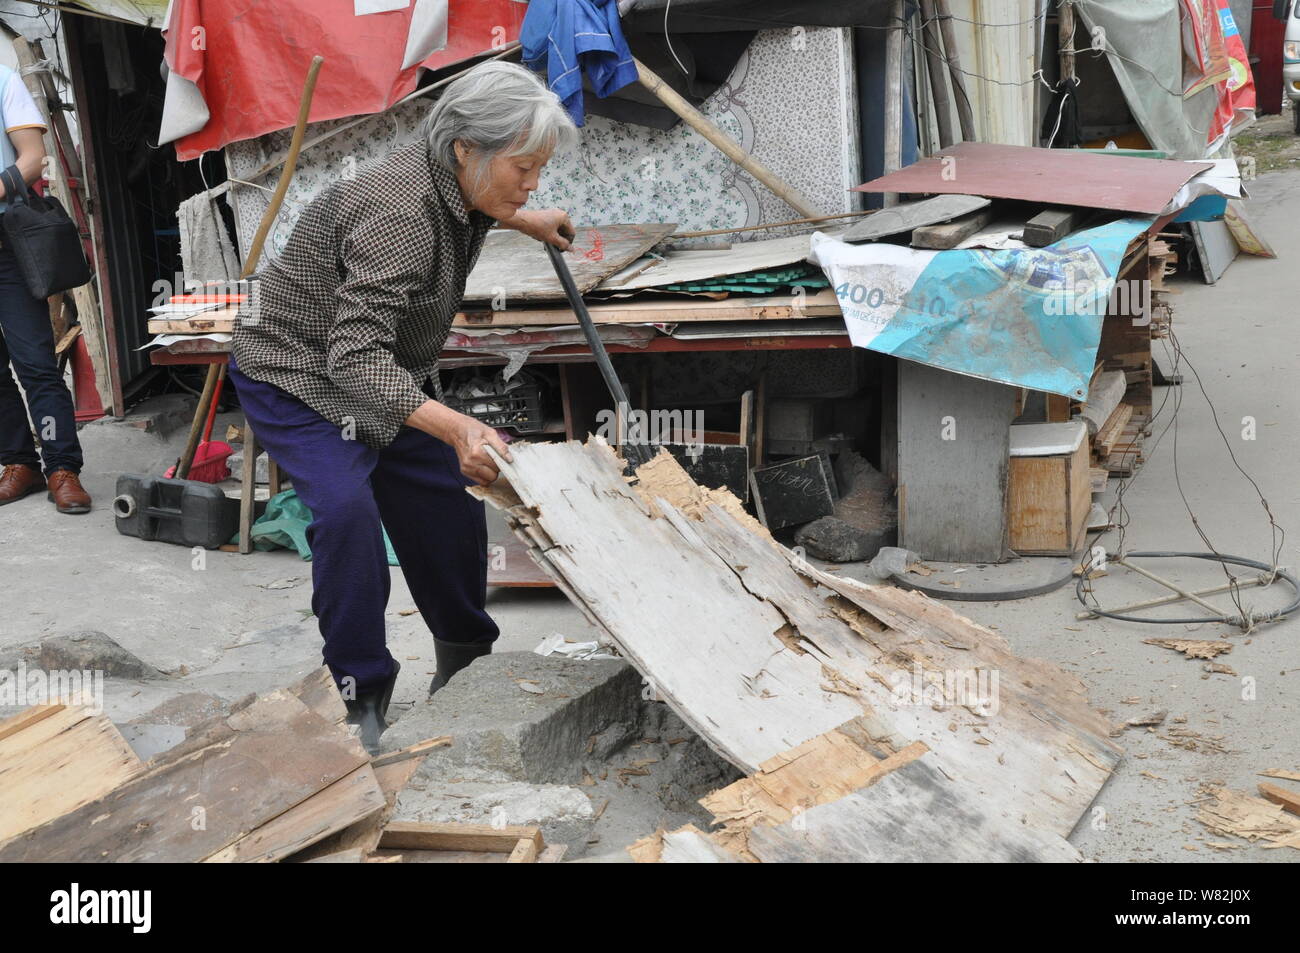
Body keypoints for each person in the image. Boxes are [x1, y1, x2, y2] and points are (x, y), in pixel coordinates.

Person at [228, 61, 577, 750]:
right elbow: (352, 359)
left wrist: (526, 218)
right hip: (294, 372)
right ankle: (360, 692)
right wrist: (457, 425)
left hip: (368, 371)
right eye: (524, 168)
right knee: (346, 512)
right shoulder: (399, 212)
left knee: (446, 495)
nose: (533, 182)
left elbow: (474, 203)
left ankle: (464, 652)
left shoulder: (454, 183)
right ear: (464, 150)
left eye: (539, 169)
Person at [0, 63, 91, 514]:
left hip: (8, 246)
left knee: (35, 363)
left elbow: (32, 156)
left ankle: (61, 467)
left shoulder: (1, 77)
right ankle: (20, 464)